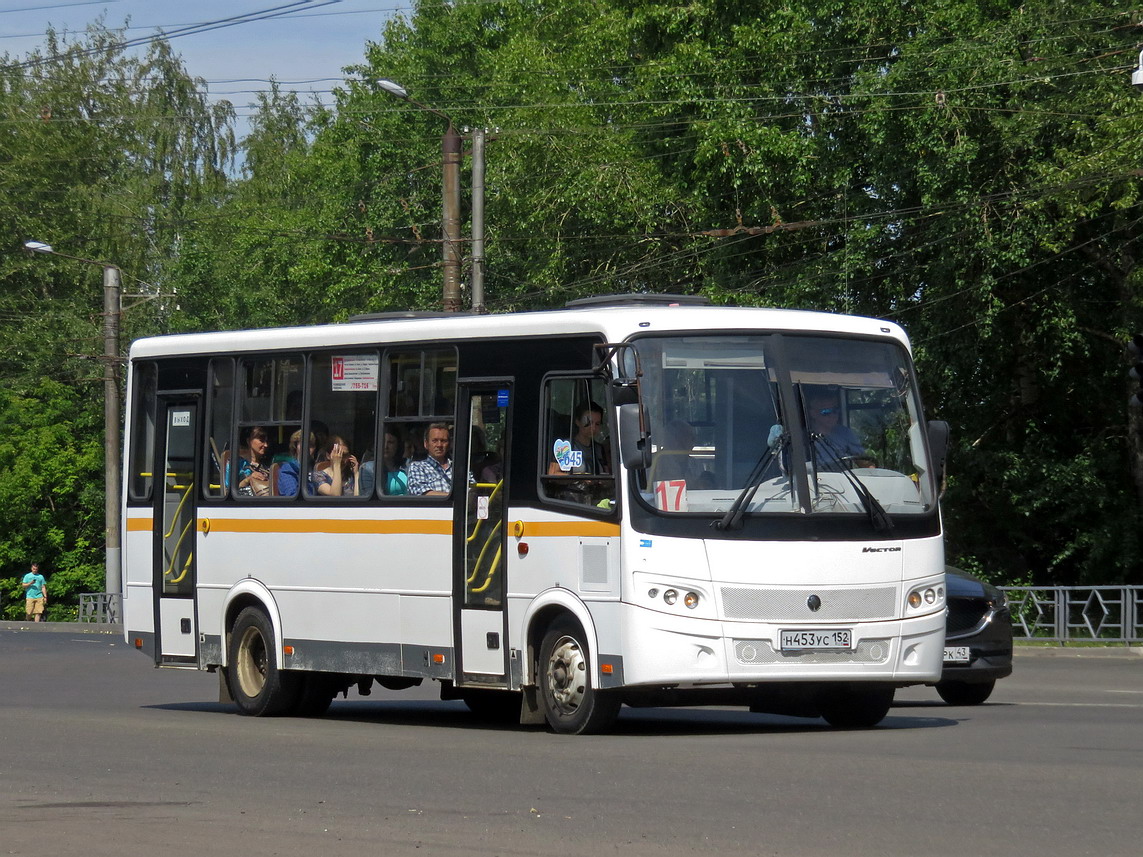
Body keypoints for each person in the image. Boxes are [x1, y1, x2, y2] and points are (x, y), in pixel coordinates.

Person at [805, 388, 867, 468]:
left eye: (835, 410)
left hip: (847, 478)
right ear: (813, 413)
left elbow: (864, 462)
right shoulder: (803, 439)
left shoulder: (845, 433)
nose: (832, 415)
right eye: (826, 412)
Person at [548, 402, 609, 475]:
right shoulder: (565, 446)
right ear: (577, 422)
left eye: (597, 424)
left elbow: (607, 475)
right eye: (588, 422)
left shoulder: (599, 449)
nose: (593, 428)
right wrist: (580, 478)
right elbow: (553, 473)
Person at [407, 423, 453, 495]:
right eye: (435, 441)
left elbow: (471, 492)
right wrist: (455, 497)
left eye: (443, 441)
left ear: (449, 444)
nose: (439, 445)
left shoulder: (459, 468)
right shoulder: (417, 467)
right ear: (426, 444)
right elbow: (422, 494)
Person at [233, 425, 271, 496]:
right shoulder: (236, 463)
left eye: (266, 441)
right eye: (261, 440)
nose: (266, 445)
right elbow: (227, 491)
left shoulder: (268, 464)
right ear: (248, 441)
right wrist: (248, 479)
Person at [277, 430, 315, 496]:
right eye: (303, 444)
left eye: (310, 445)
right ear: (295, 446)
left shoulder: (313, 468)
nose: (307, 449)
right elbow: (292, 496)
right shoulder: (288, 469)